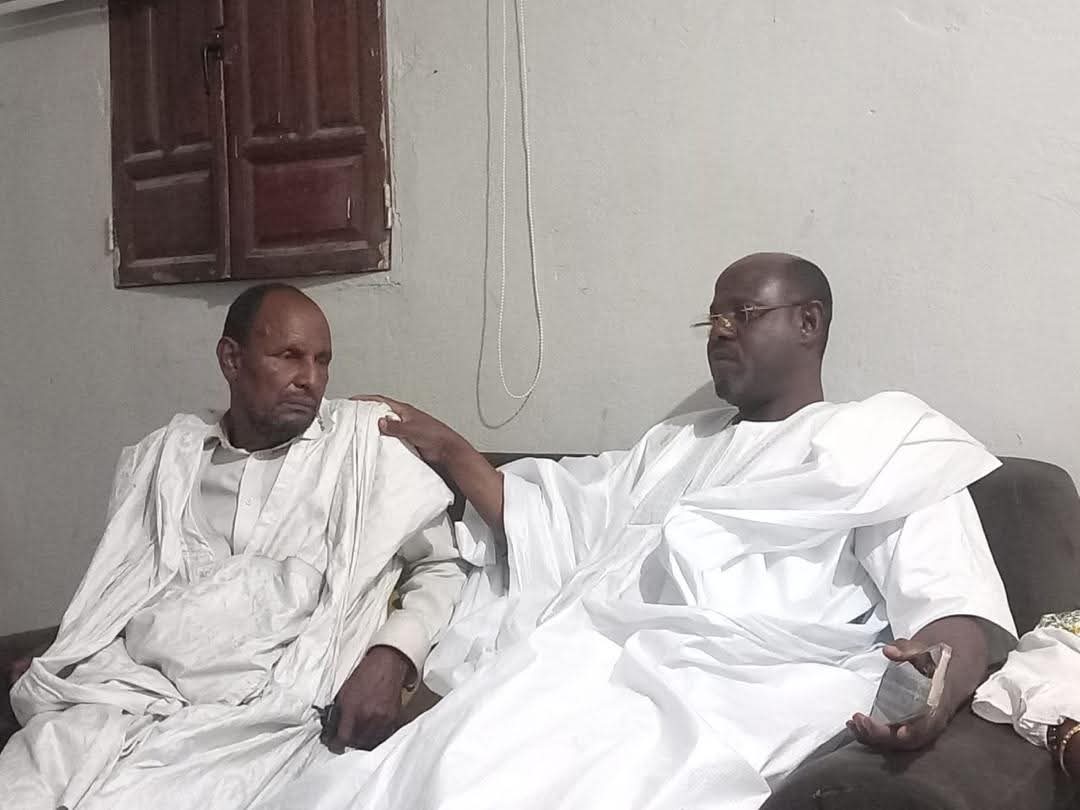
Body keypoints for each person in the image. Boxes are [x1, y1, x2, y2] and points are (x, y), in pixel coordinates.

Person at [259, 252, 1017, 810]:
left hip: (736, 685)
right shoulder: (676, 444)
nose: (720, 332)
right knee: (438, 767)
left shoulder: (881, 441)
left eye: (742, 315)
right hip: (591, 662)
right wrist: (449, 448)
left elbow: (953, 608)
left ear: (808, 323)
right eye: (713, 318)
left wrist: (934, 684)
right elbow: (559, 520)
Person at [0, 284, 467, 810]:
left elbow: (444, 566)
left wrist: (393, 655)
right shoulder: (168, 460)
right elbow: (118, 588)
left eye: (322, 361)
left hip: (269, 716)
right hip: (130, 691)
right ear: (231, 360)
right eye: (289, 356)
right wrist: (75, 645)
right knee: (26, 779)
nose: (310, 379)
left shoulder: (362, 448)